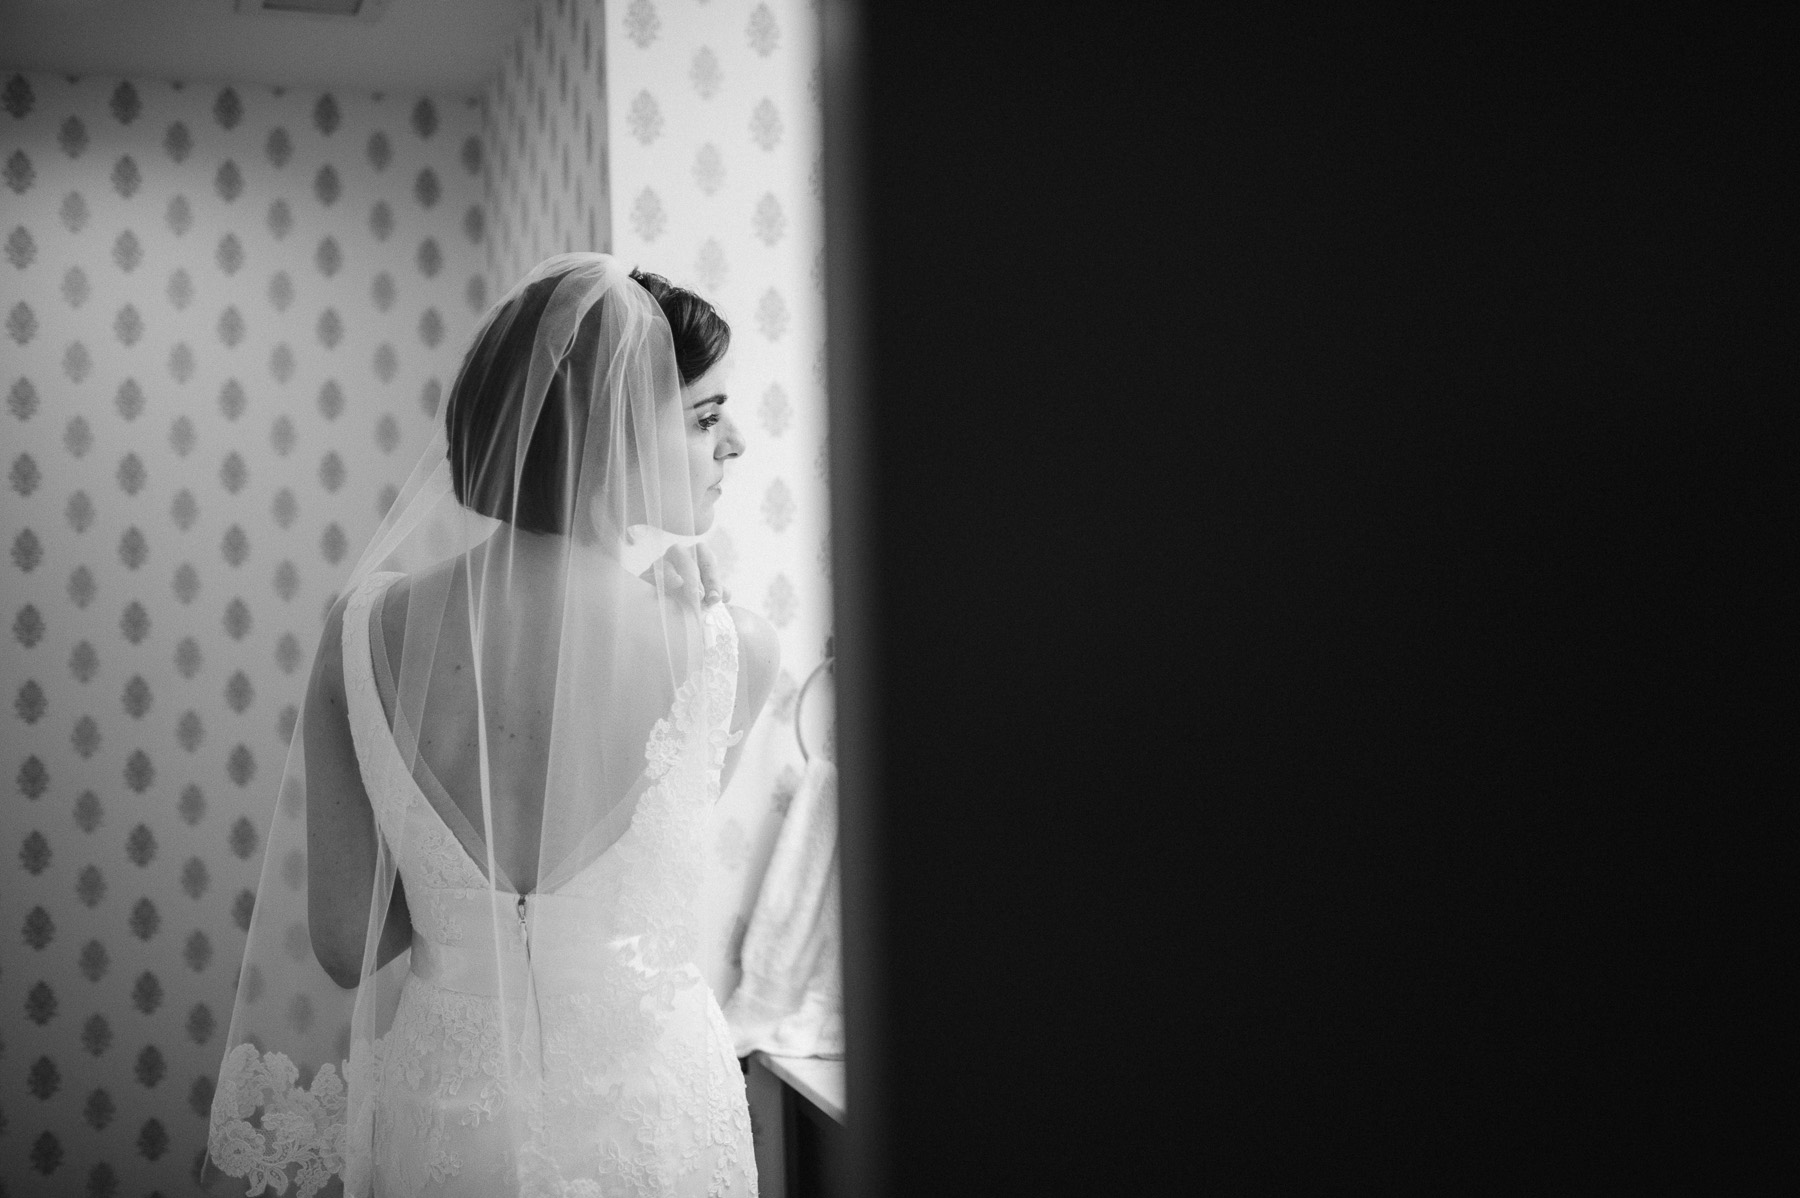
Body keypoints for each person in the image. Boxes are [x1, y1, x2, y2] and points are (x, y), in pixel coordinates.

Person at [207, 254, 779, 1197]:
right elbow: (644, 872)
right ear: (614, 433)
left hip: (445, 1122)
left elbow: (348, 944)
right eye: (707, 417)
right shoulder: (732, 654)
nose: (738, 443)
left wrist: (466, 910)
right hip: (650, 1118)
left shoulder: (361, 634)